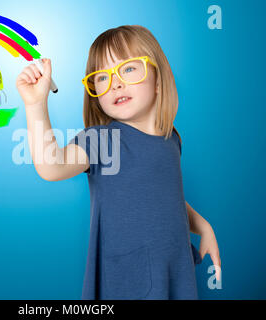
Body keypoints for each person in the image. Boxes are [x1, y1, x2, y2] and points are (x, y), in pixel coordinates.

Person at [15, 25, 221, 300]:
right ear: (95, 94)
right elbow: (51, 166)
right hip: (128, 282)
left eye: (128, 69)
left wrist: (203, 226)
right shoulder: (103, 140)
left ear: (158, 80)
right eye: (102, 77)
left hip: (173, 274)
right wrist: (35, 105)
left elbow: (163, 196)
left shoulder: (172, 140)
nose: (116, 83)